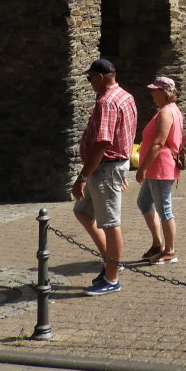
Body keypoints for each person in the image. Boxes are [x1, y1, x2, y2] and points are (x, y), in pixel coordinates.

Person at [71, 57, 137, 296]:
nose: (89, 82)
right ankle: (109, 261)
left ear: (100, 77)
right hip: (112, 166)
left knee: (110, 223)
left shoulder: (107, 102)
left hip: (105, 168)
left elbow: (102, 143)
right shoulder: (125, 96)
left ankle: (112, 278)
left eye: (90, 78)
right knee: (82, 212)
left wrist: (82, 177)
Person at [134, 74, 184, 264]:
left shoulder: (166, 113)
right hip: (158, 168)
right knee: (144, 202)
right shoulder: (171, 110)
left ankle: (170, 251)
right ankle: (158, 244)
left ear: (164, 93)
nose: (152, 94)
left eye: (155, 91)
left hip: (160, 167)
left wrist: (141, 168)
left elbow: (158, 142)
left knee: (164, 209)